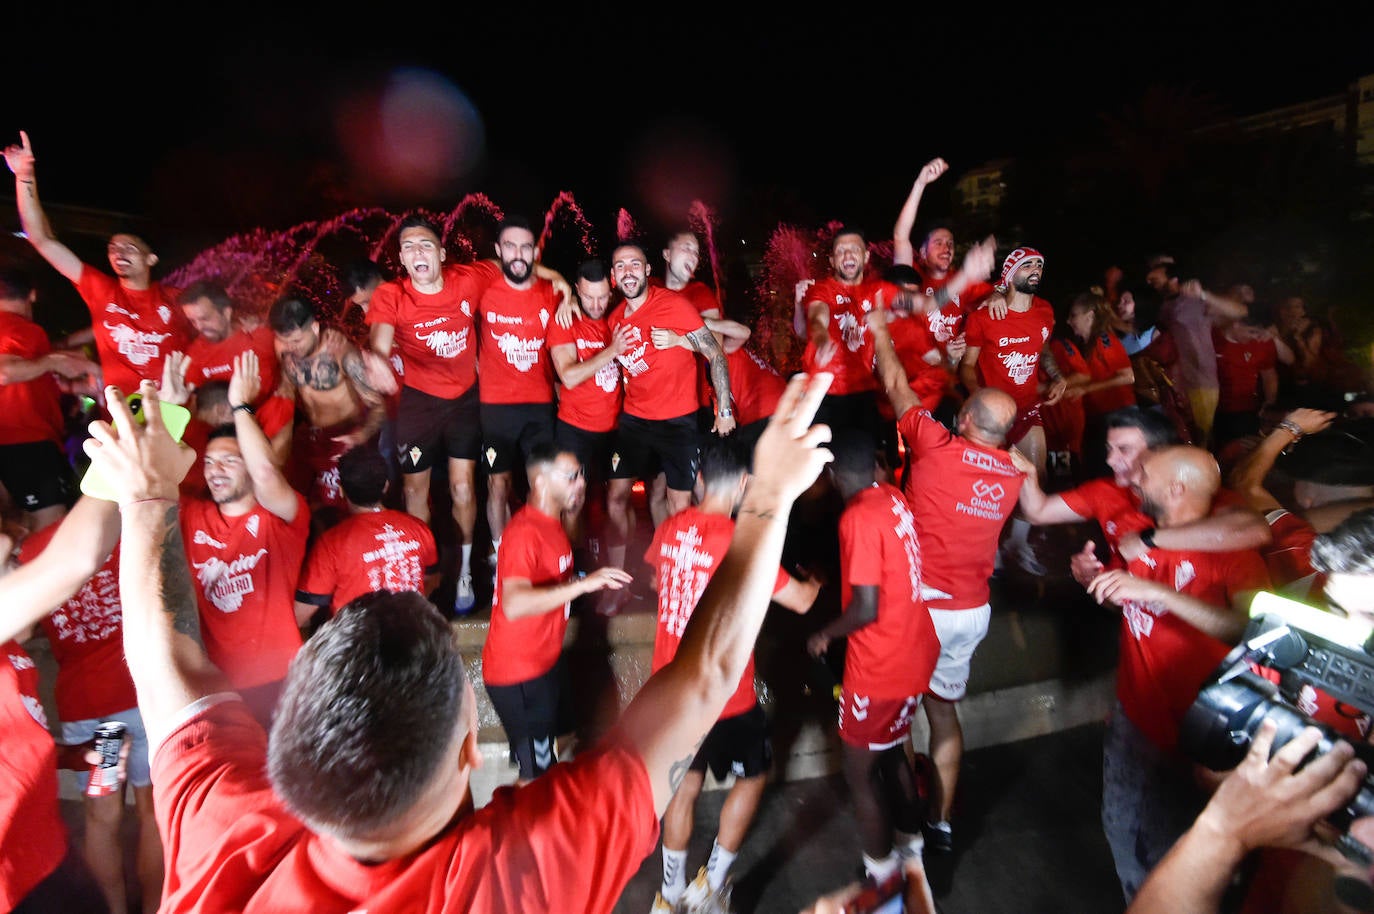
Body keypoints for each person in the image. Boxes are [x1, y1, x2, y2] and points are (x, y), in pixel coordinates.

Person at [81, 370, 835, 913]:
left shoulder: (229, 842)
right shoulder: (524, 874)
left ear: (288, 751)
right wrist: (767, 504)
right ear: (471, 744)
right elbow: (706, 680)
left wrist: (145, 501)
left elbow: (163, 660)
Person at [1081, 444, 1271, 904]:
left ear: (1177, 488)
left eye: (1144, 472)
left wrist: (1162, 595)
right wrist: (1096, 582)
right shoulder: (1140, 535)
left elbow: (1251, 630)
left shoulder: (1234, 554)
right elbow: (1127, 601)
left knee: (1189, 857)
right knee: (1127, 835)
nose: (1133, 478)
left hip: (1204, 734)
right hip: (1136, 716)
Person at [867, 304, 1023, 855]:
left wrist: (883, 332)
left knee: (901, 718)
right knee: (943, 711)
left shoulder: (935, 446)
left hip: (922, 609)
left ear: (962, 421)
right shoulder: (1014, 472)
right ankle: (943, 824)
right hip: (971, 611)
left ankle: (909, 826)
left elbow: (893, 383)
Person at [646, 439, 819, 914]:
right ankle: (712, 885)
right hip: (727, 697)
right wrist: (819, 578)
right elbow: (801, 601)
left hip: (674, 691)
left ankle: (670, 895)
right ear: (745, 483)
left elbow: (660, 582)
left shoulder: (672, 529)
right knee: (755, 776)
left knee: (683, 788)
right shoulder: (743, 543)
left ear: (699, 481)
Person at [805, 430, 939, 894]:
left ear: (833, 474)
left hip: (881, 665)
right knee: (892, 749)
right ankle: (912, 849)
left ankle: (881, 874)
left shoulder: (858, 517)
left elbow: (865, 608)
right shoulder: (892, 497)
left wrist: (825, 633)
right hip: (917, 649)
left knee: (859, 772)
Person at [16, 526, 162, 914]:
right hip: (138, 696)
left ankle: (113, 909)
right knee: (152, 810)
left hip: (85, 707)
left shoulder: (33, 550)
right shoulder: (122, 532)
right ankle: (154, 908)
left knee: (101, 815)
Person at [366, 214, 502, 614]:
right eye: (408, 247)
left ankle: (461, 572)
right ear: (403, 260)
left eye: (425, 244)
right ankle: (420, 572)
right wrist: (374, 361)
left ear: (442, 253)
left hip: (464, 399)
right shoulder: (391, 294)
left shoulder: (469, 278)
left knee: (463, 488)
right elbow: (380, 341)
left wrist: (559, 281)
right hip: (419, 401)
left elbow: (513, 263)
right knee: (414, 492)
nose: (417, 252)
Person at [483, 444, 634, 785]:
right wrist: (582, 586)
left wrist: (585, 580)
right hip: (517, 675)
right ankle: (517, 833)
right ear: (540, 482)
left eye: (581, 475)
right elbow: (515, 604)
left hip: (546, 664)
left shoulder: (554, 524)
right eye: (570, 477)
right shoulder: (524, 533)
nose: (580, 483)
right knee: (535, 777)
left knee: (566, 735)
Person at [0, 493, 121, 912]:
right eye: (12, 557)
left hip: (49, 854)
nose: (20, 558)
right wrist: (120, 462)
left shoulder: (13, 651)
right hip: (11, 887)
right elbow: (76, 561)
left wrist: (73, 754)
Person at [4, 131, 192, 399]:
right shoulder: (101, 290)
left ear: (151, 259)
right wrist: (24, 176)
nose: (119, 253)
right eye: (113, 248)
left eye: (130, 248)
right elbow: (42, 240)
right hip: (120, 423)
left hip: (174, 419)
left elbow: (216, 328)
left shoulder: (178, 300)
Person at [180, 351, 310, 728]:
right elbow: (147, 479)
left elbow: (267, 473)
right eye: (209, 462)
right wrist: (171, 408)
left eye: (229, 462)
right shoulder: (192, 516)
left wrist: (240, 407)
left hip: (280, 681)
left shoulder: (280, 518)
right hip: (216, 685)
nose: (215, 471)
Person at [605, 240, 734, 546]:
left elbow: (715, 353)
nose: (628, 272)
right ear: (613, 275)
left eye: (635, 264)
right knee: (618, 497)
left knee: (680, 503)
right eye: (621, 266)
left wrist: (724, 409)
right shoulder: (614, 320)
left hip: (678, 421)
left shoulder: (674, 305)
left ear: (647, 270)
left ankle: (690, 566)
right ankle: (622, 581)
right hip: (635, 421)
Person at [960, 247, 1067, 575]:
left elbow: (1044, 348)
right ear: (1009, 274)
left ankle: (1017, 544)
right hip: (993, 417)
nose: (1036, 269)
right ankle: (986, 548)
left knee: (1036, 476)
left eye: (1039, 264)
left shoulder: (1045, 311)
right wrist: (981, 401)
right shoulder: (983, 317)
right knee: (987, 487)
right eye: (1028, 264)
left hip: (1028, 409)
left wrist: (1058, 375)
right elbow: (966, 365)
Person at [476, 216, 564, 565]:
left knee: (542, 485)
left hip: (539, 405)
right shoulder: (484, 287)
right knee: (497, 485)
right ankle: (502, 556)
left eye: (525, 247)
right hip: (496, 407)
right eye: (510, 246)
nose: (518, 253)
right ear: (498, 251)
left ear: (535, 252)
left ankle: (543, 553)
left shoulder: (553, 292)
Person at [271, 294, 389, 528]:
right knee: (292, 505)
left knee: (337, 514)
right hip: (309, 438)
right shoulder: (284, 349)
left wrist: (360, 436)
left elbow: (378, 406)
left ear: (314, 327)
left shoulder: (342, 354)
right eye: (284, 340)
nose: (291, 347)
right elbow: (286, 390)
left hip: (342, 441)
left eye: (296, 340)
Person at [294, 444, 439, 631]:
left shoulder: (332, 543)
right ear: (386, 485)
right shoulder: (419, 529)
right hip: (414, 639)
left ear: (341, 490)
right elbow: (432, 579)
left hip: (360, 648)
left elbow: (300, 613)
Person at [0, 266, 97, 531]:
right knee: (50, 532)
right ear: (32, 295)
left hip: (13, 445)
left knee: (14, 531)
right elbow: (5, 372)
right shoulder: (22, 329)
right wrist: (53, 361)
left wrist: (76, 386)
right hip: (28, 444)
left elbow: (37, 377)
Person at [547, 260, 629, 573]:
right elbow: (568, 376)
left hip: (615, 428)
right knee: (573, 502)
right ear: (577, 290)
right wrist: (612, 350)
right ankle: (573, 566)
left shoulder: (620, 316)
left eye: (603, 297)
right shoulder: (565, 319)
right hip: (574, 428)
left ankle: (618, 566)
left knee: (616, 501)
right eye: (588, 297)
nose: (596, 305)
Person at [1143, 255, 1248, 448]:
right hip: (1173, 385)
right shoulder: (1164, 307)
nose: (1151, 281)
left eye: (1155, 278)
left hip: (1201, 383)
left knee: (1202, 440)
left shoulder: (1195, 300)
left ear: (1173, 277)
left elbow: (1240, 311)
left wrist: (1204, 295)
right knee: (1181, 438)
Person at [799, 227, 886, 449]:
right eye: (841, 251)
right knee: (823, 467)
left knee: (869, 463)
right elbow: (818, 318)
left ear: (866, 256)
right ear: (831, 259)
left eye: (854, 249)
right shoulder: (821, 289)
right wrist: (821, 339)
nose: (848, 255)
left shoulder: (876, 293)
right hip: (824, 392)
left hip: (865, 393)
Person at [1046, 290, 1137, 479]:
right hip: (1101, 416)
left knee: (1107, 472)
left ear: (1090, 316)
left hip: (1117, 415)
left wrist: (1085, 388)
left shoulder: (1105, 341)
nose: (1069, 322)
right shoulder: (1087, 346)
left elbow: (1127, 376)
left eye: (1074, 316)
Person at [1211, 312, 1279, 450]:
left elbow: (1269, 375)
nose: (1254, 337)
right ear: (1236, 324)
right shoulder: (1211, 338)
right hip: (1210, 408)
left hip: (1246, 411)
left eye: (1258, 333)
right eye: (1251, 331)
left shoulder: (1262, 342)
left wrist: (1270, 403)